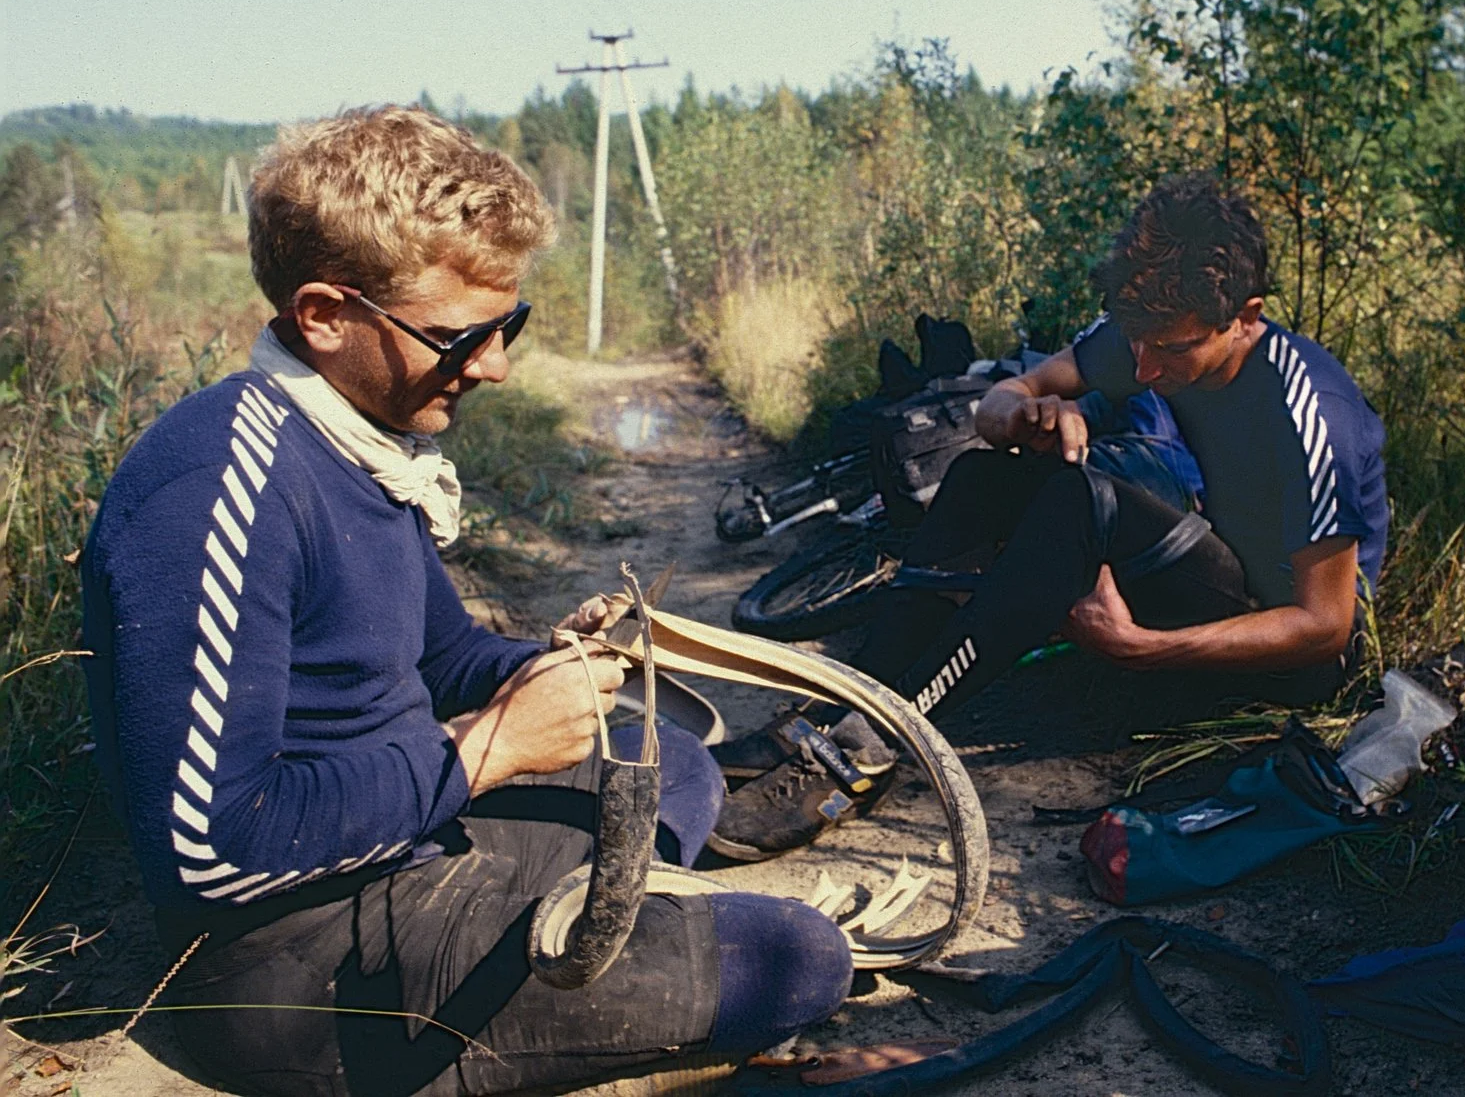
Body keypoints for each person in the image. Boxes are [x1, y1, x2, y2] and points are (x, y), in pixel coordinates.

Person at [79, 107, 851, 1097]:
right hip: (294, 967)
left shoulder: (361, 439)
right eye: (460, 336)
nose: (493, 363)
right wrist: (488, 749)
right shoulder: (218, 482)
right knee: (797, 955)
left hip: (416, 829)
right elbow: (212, 847)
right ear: (324, 314)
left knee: (679, 762)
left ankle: (574, 954)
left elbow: (438, 655)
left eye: (507, 326)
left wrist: (544, 666)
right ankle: (562, 1015)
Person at [712, 172, 1389, 858]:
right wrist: (1023, 416)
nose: (1146, 370)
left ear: (1247, 315)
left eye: (1173, 351)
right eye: (1138, 346)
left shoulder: (1311, 418)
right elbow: (1006, 397)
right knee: (984, 475)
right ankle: (843, 706)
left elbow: (1324, 630)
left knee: (1081, 499)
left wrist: (1140, 649)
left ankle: (869, 749)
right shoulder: (1150, 334)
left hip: (1276, 664)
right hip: (1208, 575)